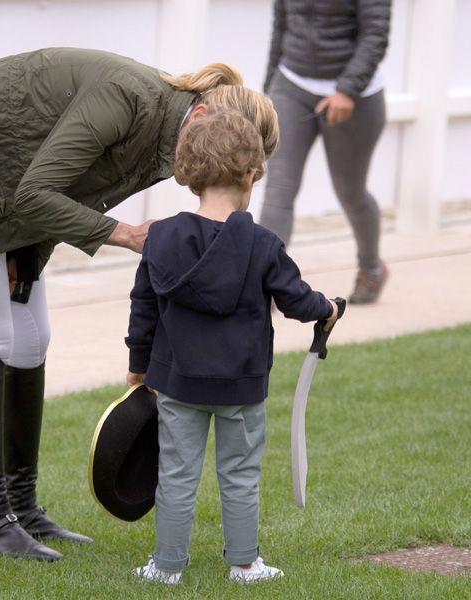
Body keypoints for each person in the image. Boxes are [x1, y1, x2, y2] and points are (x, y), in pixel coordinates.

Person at [0, 47, 279, 560]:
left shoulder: (177, 136)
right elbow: (36, 190)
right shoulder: (128, 98)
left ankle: (21, 505)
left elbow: (67, 188)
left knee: (34, 339)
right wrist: (125, 234)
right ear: (203, 118)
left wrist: (29, 255)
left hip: (10, 202)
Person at [124, 111, 339, 584]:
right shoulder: (263, 244)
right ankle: (244, 564)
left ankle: (165, 568)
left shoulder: (159, 237)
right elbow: (296, 299)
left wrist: (138, 367)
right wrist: (327, 307)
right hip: (240, 387)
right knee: (240, 475)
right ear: (249, 174)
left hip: (177, 382)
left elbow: (143, 308)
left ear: (192, 173)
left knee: (177, 475)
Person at [259, 0, 391, 304]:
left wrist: (346, 90)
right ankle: (265, 283)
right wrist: (268, 92)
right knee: (279, 188)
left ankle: (372, 268)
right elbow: (281, 27)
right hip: (292, 85)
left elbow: (375, 34)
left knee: (351, 192)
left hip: (353, 97)